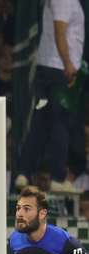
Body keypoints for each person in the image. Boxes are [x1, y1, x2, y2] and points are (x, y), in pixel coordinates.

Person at [19, 0, 84, 182]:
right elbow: (60, 32)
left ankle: (24, 172)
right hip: (59, 70)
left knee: (41, 123)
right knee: (60, 123)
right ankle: (58, 177)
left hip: (51, 69)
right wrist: (68, 63)